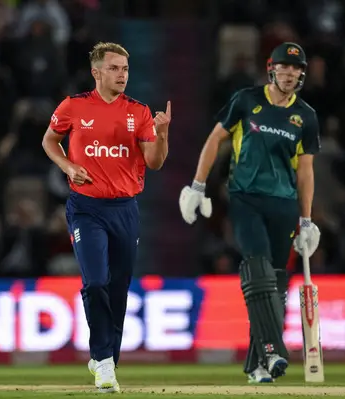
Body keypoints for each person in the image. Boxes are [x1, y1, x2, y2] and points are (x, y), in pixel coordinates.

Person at [179, 42, 321, 383]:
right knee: (257, 267)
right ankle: (274, 350)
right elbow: (215, 139)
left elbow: (305, 171)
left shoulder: (306, 116)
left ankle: (258, 364)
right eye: (284, 67)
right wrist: (198, 186)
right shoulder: (246, 100)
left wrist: (306, 220)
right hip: (245, 198)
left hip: (284, 205)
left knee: (275, 282)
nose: (290, 74)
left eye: (296, 69)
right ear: (271, 69)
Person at [42, 42, 170, 393]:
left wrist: (163, 134)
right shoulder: (74, 106)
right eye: (114, 68)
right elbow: (49, 141)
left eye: (125, 69)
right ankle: (103, 360)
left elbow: (155, 162)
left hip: (125, 209)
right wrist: (68, 165)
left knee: (118, 288)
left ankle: (106, 358)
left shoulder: (139, 111)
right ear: (96, 72)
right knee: (96, 281)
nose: (122, 75)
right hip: (86, 208)